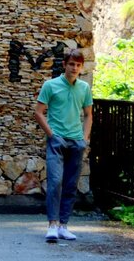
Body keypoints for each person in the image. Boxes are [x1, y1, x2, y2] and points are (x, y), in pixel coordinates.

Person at [34, 48, 92, 243]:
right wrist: (52, 135)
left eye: (78, 65)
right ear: (64, 64)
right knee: (55, 181)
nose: (74, 68)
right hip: (57, 141)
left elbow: (88, 115)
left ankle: (64, 226)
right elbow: (38, 112)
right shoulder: (50, 85)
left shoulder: (84, 88)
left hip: (76, 142)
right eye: (71, 64)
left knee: (70, 184)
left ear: (81, 67)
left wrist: (84, 139)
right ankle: (52, 225)